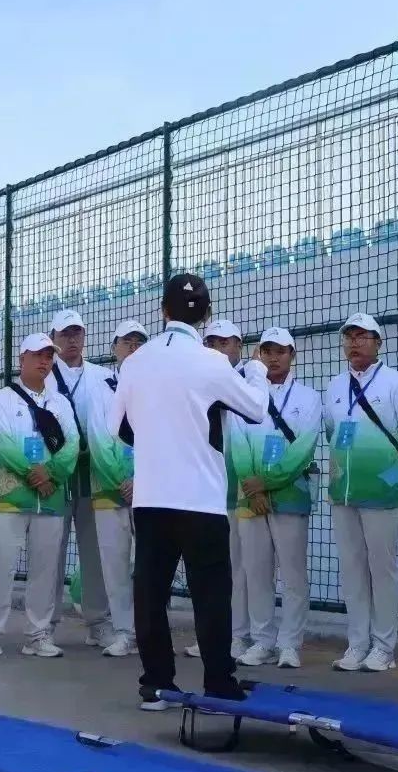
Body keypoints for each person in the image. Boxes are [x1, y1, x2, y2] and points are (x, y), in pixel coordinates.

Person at [107, 275, 270, 710]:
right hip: (201, 499)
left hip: (151, 497)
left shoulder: (135, 362)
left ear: (164, 311)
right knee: (211, 593)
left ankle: (156, 685)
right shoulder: (211, 362)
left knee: (150, 593)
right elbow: (256, 409)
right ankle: (218, 682)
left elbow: (117, 427)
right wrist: (255, 370)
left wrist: (155, 437)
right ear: (207, 314)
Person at [0, 333, 80, 660]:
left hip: (52, 497)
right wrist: (35, 474)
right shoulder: (2, 399)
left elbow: (72, 444)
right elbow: (3, 444)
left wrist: (52, 473)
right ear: (22, 359)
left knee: (45, 569)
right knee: (1, 566)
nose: (45, 361)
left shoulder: (60, 403)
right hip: (12, 497)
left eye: (49, 356)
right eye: (38, 355)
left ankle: (38, 635)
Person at [326, 313, 398, 673]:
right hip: (343, 493)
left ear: (378, 342)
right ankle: (357, 644)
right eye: (349, 336)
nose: (354, 342)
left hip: (383, 493)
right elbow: (331, 432)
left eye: (362, 336)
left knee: (382, 570)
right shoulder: (335, 386)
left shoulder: (397, 385)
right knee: (352, 569)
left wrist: (390, 470)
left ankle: (384, 647)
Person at [230, 326, 322, 669]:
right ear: (258, 355)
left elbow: (304, 448)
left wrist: (266, 482)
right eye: (267, 351)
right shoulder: (244, 394)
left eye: (280, 351)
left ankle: (290, 644)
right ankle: (262, 641)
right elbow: (237, 442)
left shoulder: (309, 398)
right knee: (256, 573)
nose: (273, 357)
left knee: (294, 574)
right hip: (250, 498)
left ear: (292, 355)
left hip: (290, 496)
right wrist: (251, 485)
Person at [47, 308, 115, 650]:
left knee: (95, 552)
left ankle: (99, 622)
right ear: (53, 339)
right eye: (65, 334)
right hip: (56, 479)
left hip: (94, 476)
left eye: (77, 333)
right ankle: (45, 625)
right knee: (50, 552)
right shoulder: (43, 377)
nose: (72, 340)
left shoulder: (104, 376)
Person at [185, 318, 252, 660]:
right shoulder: (197, 384)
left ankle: (239, 637)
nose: (219, 349)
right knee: (209, 572)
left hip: (244, 494)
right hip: (206, 495)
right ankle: (212, 637)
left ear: (239, 346)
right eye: (212, 343)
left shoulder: (248, 384)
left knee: (240, 570)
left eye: (226, 343)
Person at [83, 320, 150, 658]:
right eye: (127, 342)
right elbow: (98, 439)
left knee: (150, 565)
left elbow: (164, 438)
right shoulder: (100, 389)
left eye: (140, 342)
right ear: (115, 348)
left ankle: (149, 632)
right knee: (115, 564)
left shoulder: (157, 387)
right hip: (110, 492)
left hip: (150, 492)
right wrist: (121, 482)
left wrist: (142, 480)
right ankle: (124, 632)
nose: (133, 348)